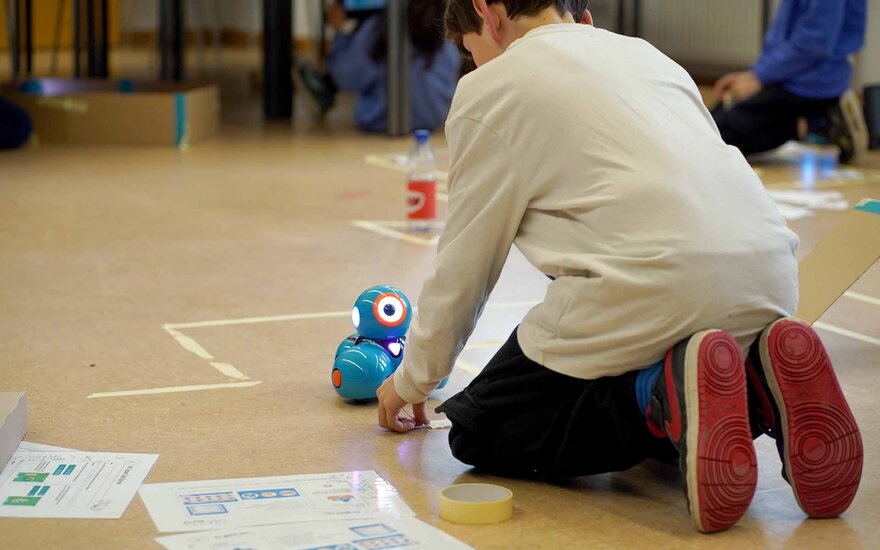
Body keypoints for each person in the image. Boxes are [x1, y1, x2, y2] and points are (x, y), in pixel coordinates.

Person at [374, 0, 863, 534]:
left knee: (480, 428)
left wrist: (410, 381)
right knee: (670, 346)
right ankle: (756, 390)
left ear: (487, 13)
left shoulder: (491, 91)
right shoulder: (650, 57)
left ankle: (656, 394)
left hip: (656, 288)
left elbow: (465, 268)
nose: (476, 68)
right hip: (769, 281)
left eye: (474, 54)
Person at [711, 0, 866, 162]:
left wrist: (760, 77)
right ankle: (811, 122)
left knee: (720, 137)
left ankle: (820, 122)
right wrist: (753, 74)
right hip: (789, 74)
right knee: (708, 125)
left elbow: (815, 43)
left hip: (811, 83)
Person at [299, 0, 461, 133]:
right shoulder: (446, 31)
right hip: (435, 118)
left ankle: (323, 89)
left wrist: (340, 30)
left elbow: (345, 79)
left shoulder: (378, 29)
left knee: (361, 63)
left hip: (378, 120)